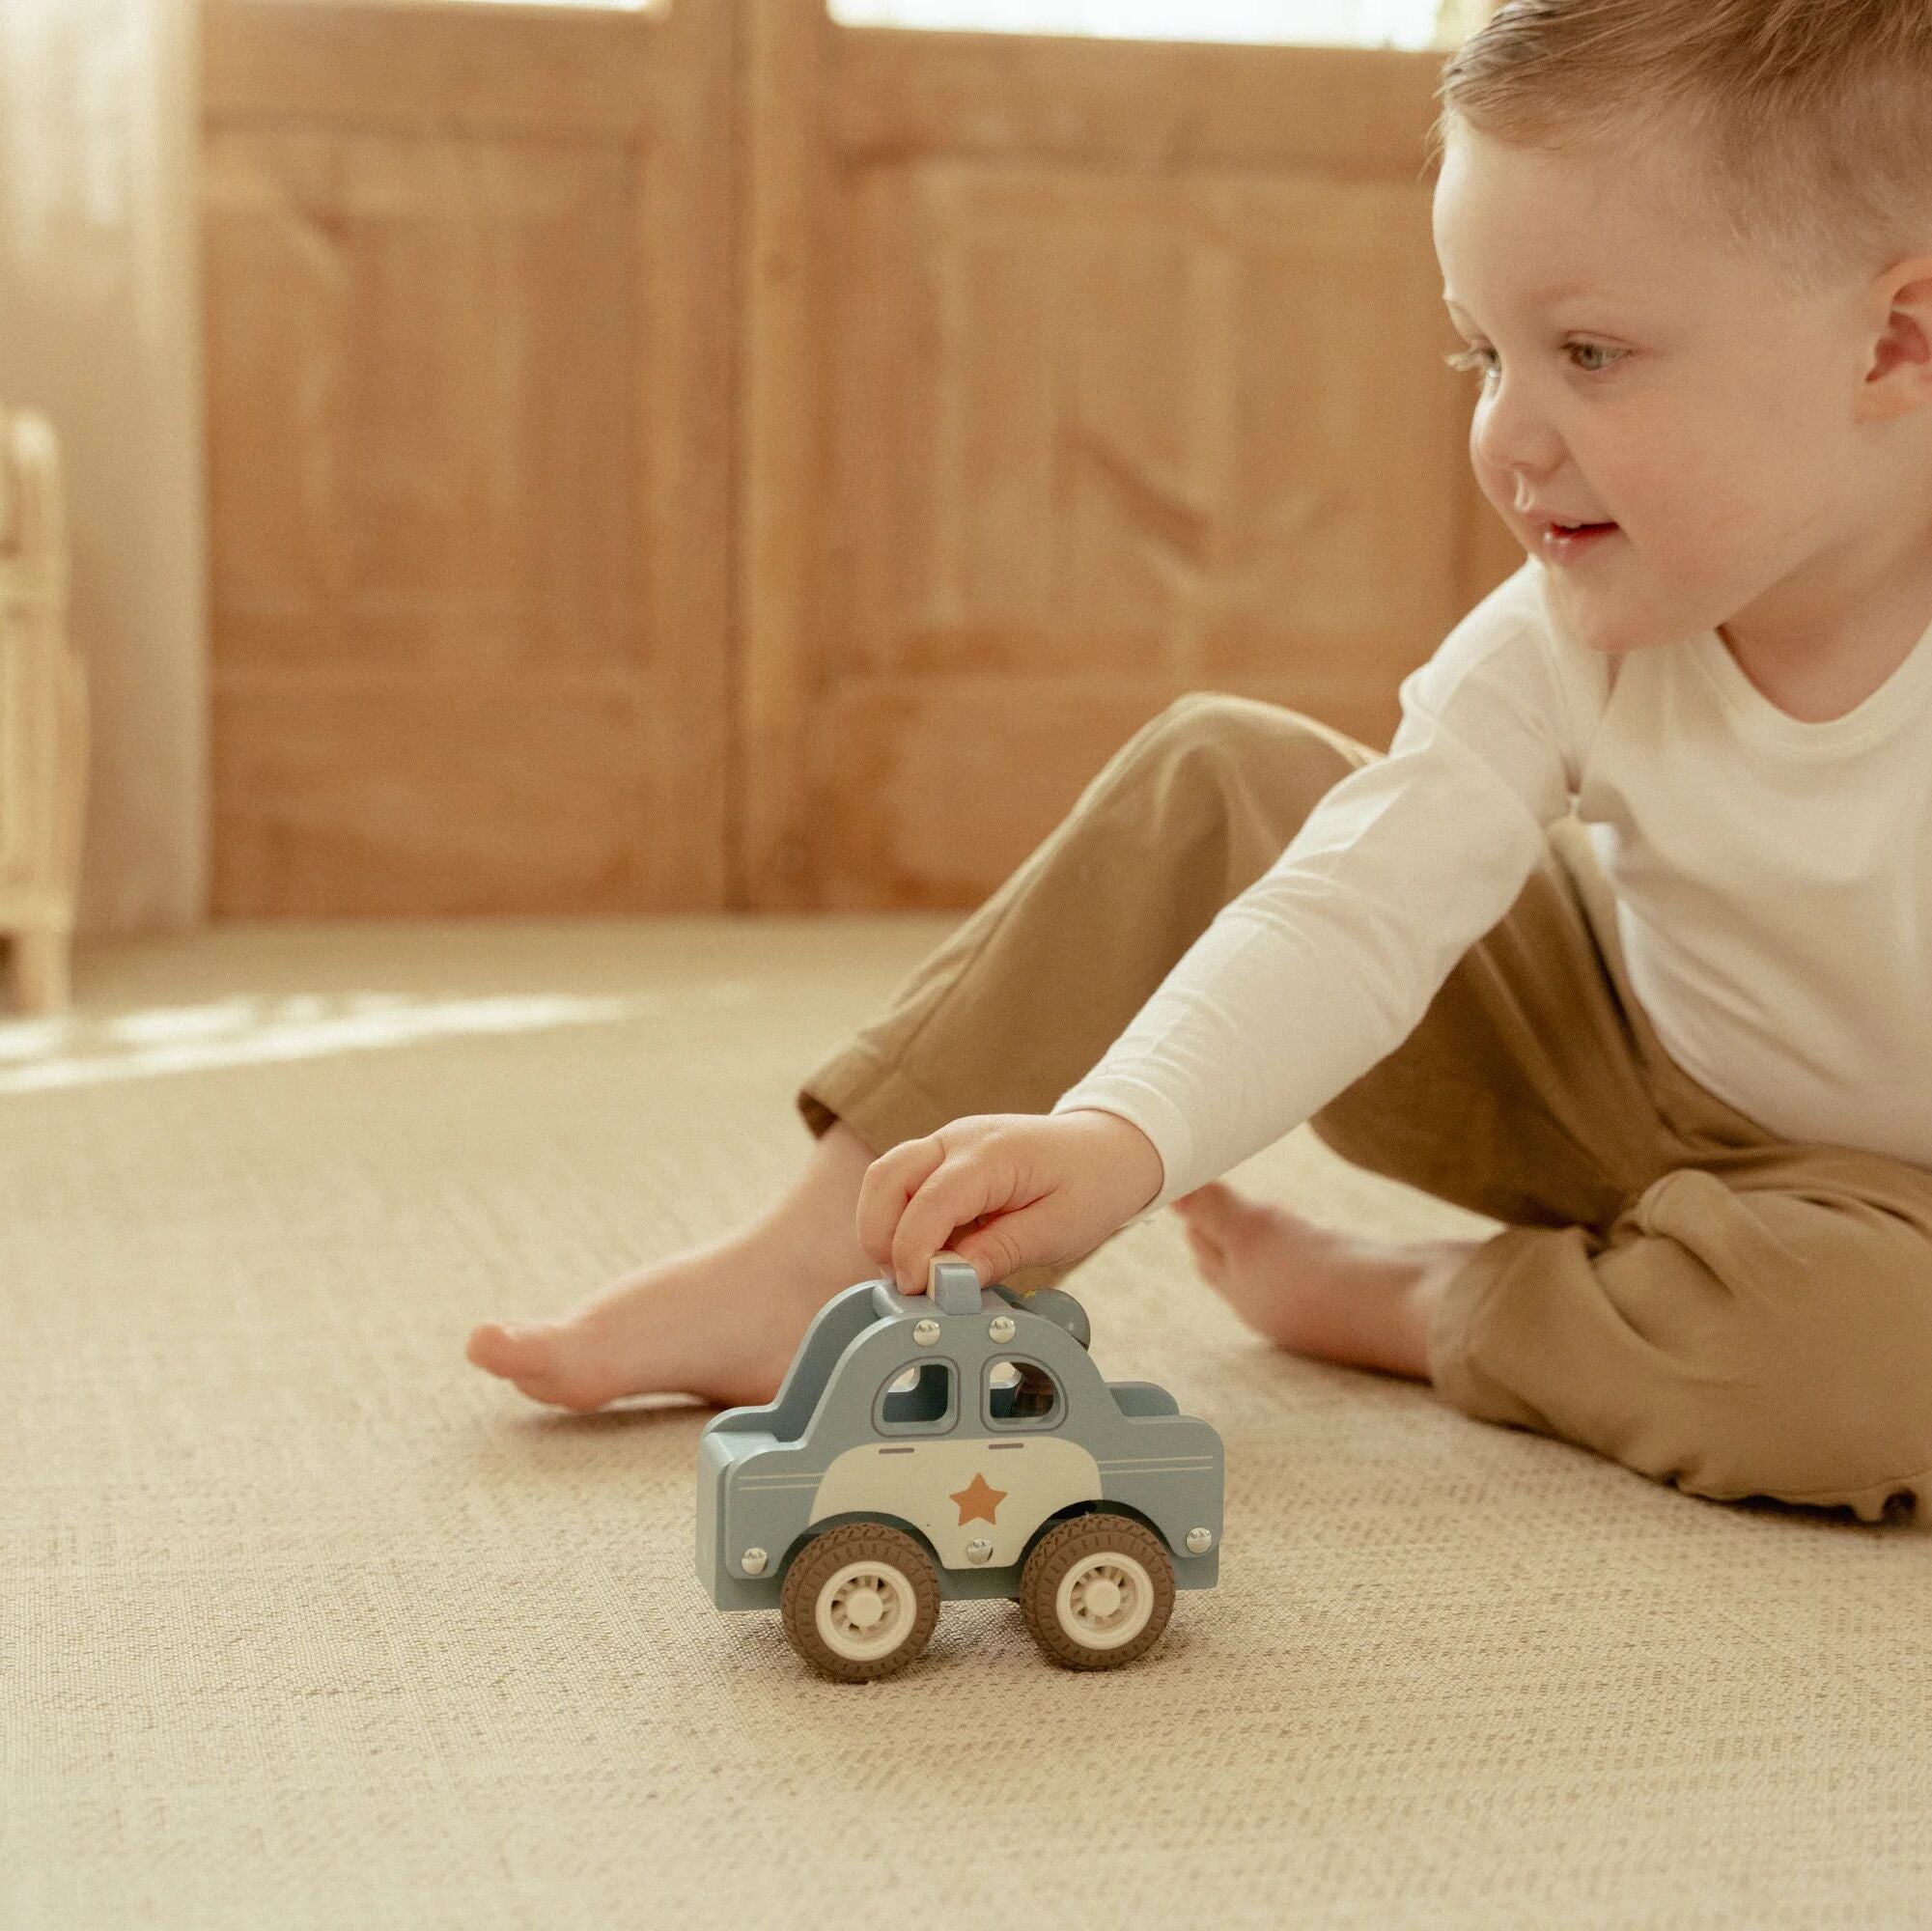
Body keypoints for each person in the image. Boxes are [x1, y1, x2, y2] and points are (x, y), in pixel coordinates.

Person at [468, 0, 1932, 1525]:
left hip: (1887, 1222)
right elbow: (1354, 909)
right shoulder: (1568, 626)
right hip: (1607, 1056)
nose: (1508, 436)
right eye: (1481, 352)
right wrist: (1121, 1135)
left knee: (1867, 1373)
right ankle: (827, 1262)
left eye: (1588, 354)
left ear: (1893, 342)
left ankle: (1429, 1306)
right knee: (1220, 773)